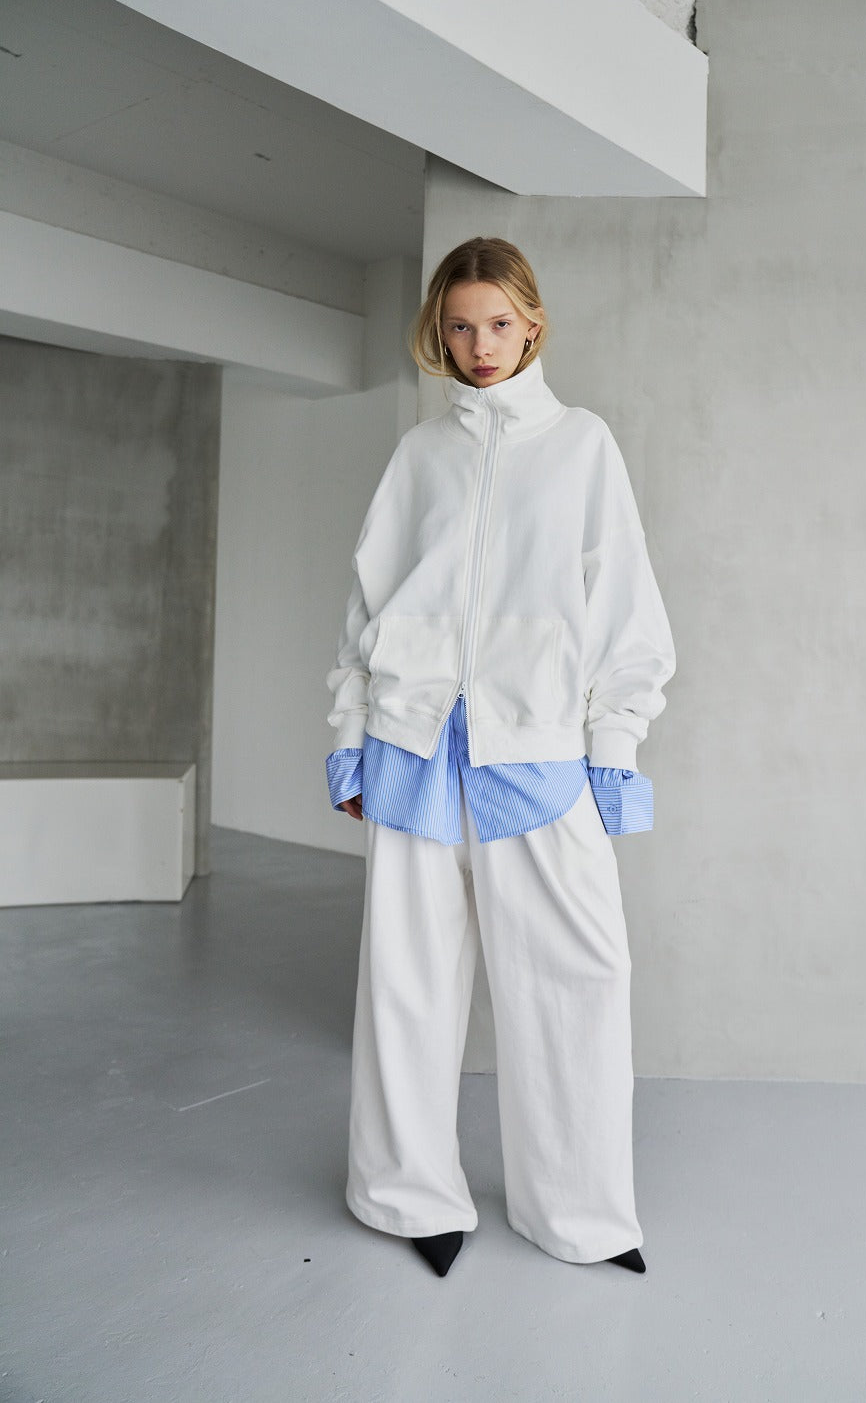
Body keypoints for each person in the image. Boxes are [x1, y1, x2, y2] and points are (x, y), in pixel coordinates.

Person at [325, 236, 675, 1278]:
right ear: (439, 333)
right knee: (407, 988)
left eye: (498, 323)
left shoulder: (582, 446)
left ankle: (579, 1213)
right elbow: (366, 607)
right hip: (413, 747)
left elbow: (625, 613)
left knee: (578, 979)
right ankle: (407, 1196)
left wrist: (612, 751)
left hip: (536, 754)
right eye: (459, 326)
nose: (479, 345)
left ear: (532, 324)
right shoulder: (420, 455)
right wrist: (350, 742)